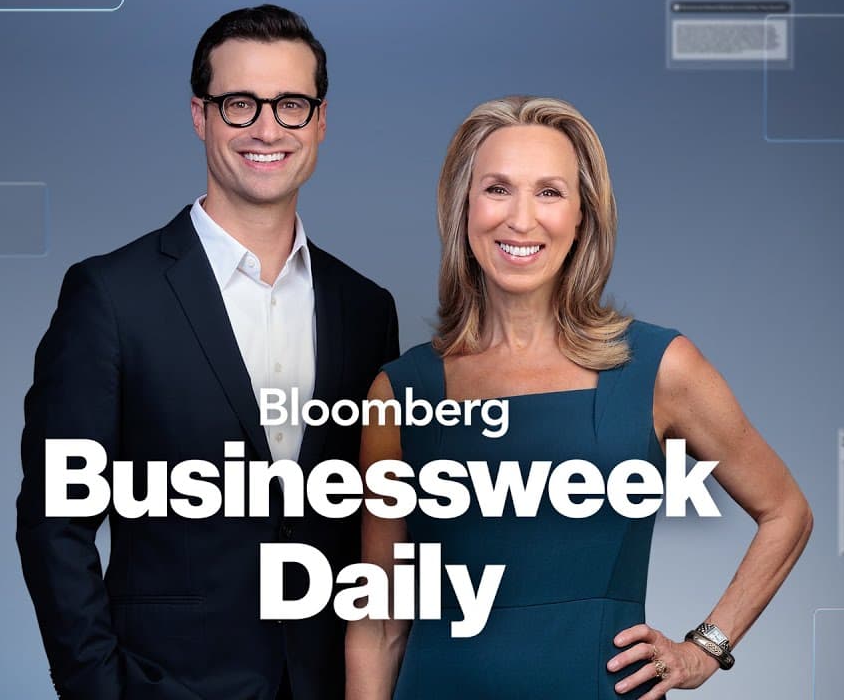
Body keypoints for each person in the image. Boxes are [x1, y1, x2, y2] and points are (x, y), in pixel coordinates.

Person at [344, 96, 812, 700]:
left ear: (583, 218)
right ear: (462, 209)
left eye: (549, 192)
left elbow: (785, 512)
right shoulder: (399, 391)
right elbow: (378, 624)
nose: (520, 219)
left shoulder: (659, 368)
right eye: (496, 189)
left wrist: (706, 648)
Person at [18, 5, 399, 700]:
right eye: (239, 103)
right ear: (200, 114)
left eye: (290, 105)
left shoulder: (365, 309)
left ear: (320, 121)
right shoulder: (109, 296)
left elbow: (373, 526)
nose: (266, 128)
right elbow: (53, 523)